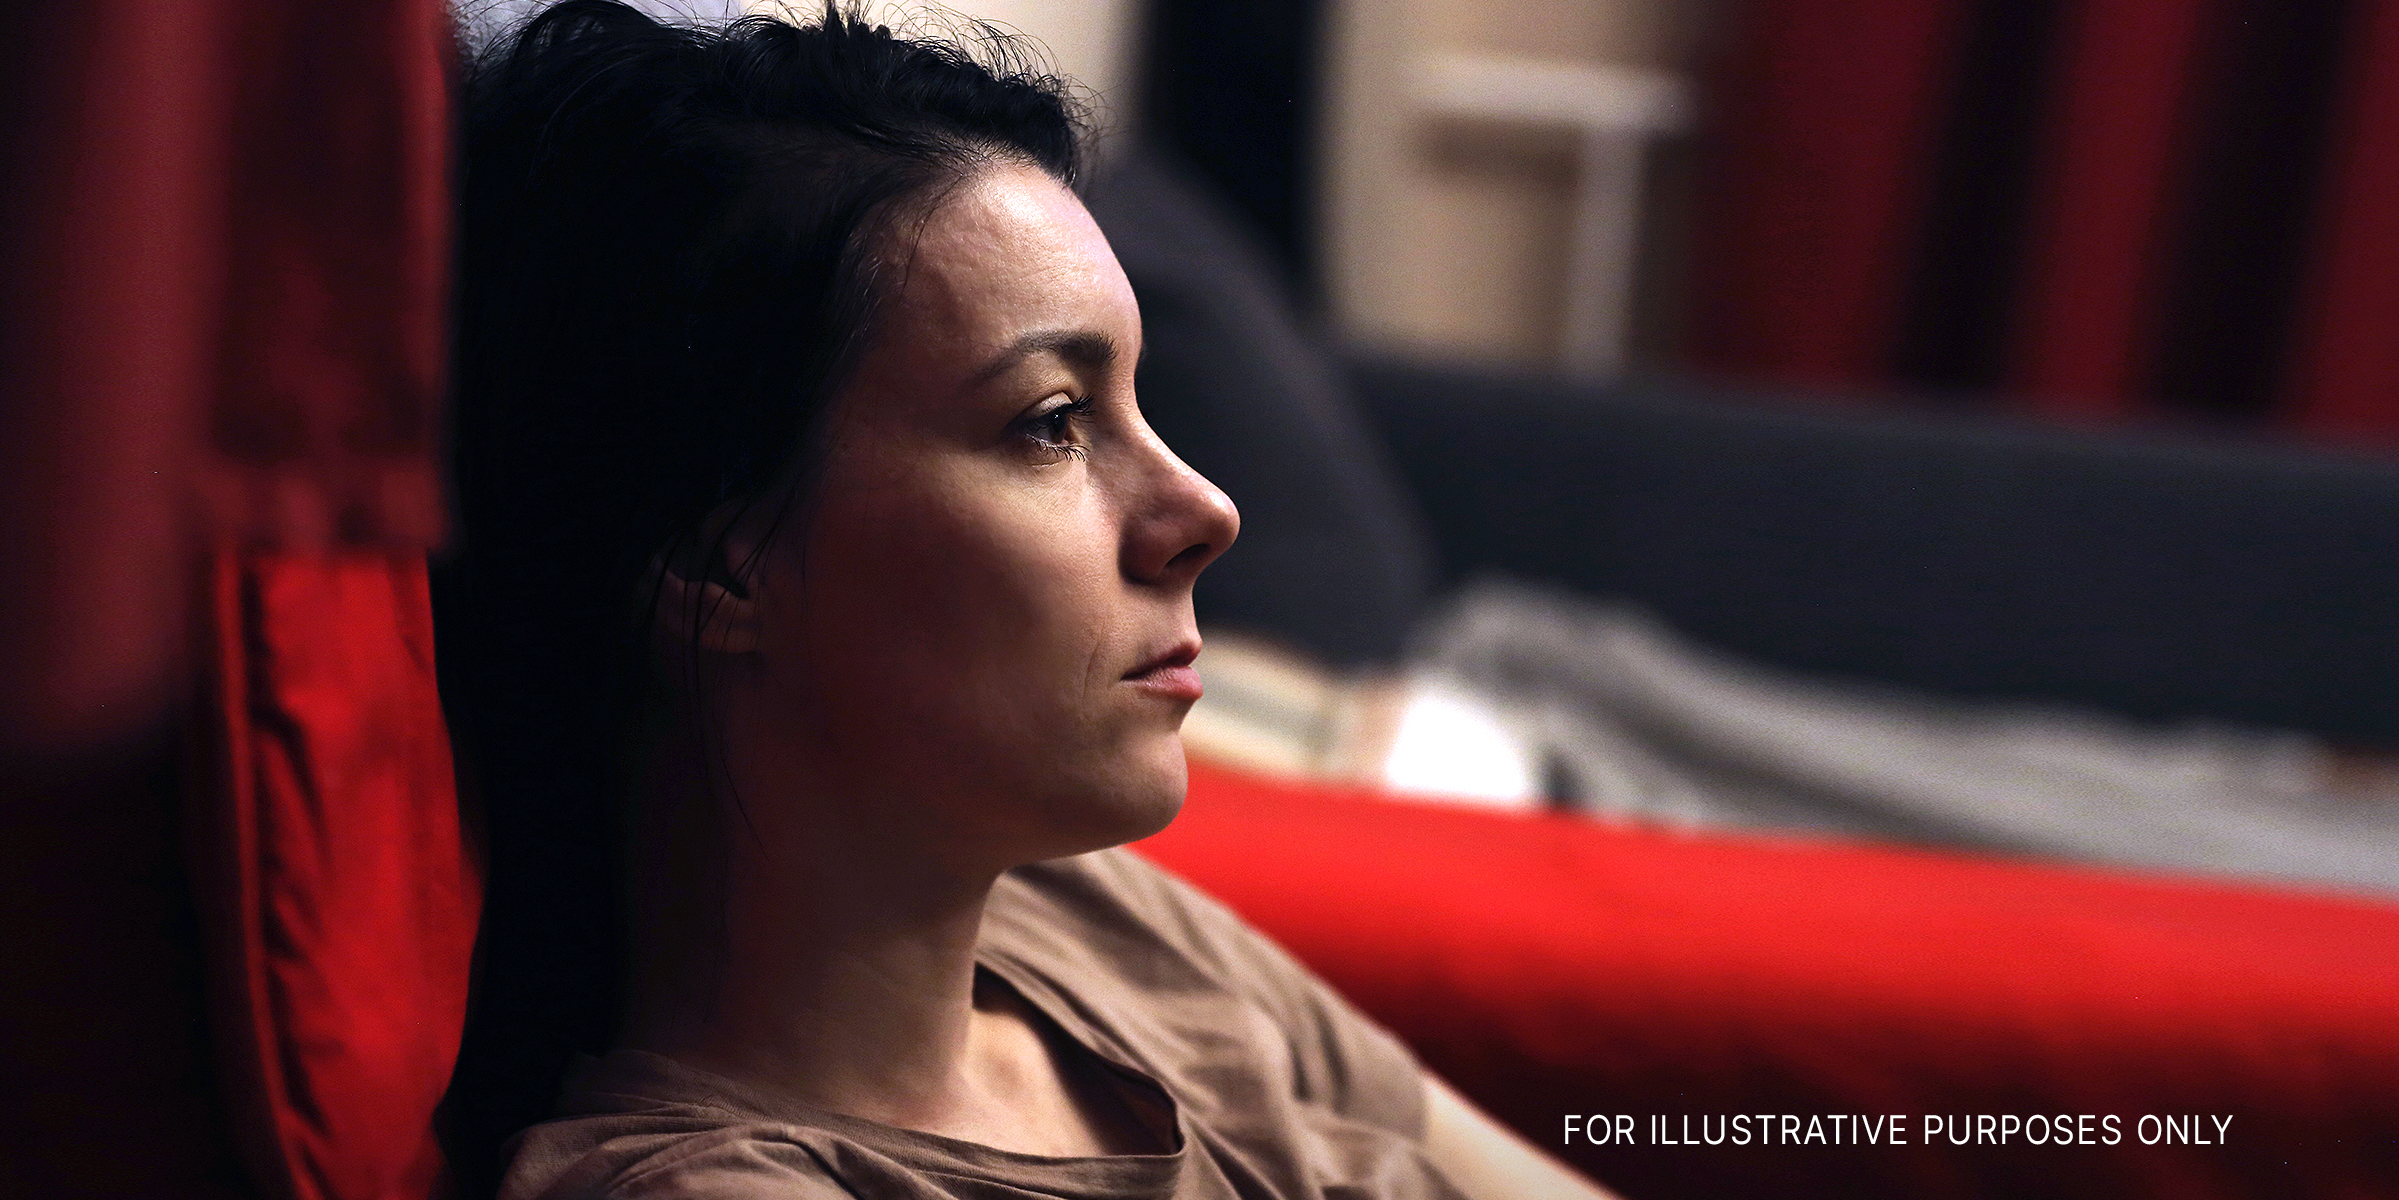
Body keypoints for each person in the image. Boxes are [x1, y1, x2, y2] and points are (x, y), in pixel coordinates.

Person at [438, 3, 1617, 1196]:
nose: (1207, 513)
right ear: (718, 565)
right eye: (1051, 424)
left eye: (1136, 408)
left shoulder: (1100, 928)